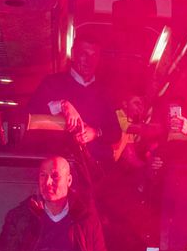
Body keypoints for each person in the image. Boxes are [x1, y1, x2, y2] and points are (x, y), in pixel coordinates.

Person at [0, 155, 113, 251]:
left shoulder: (86, 221)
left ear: (69, 180)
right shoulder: (20, 218)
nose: (47, 182)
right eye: (43, 175)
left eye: (55, 176)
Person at [28, 31, 122, 159]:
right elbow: (31, 112)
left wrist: (95, 133)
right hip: (60, 164)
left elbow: (115, 132)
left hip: (96, 167)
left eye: (94, 56)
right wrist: (62, 105)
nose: (89, 61)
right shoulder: (53, 82)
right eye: (84, 54)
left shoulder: (105, 92)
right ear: (73, 54)